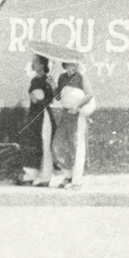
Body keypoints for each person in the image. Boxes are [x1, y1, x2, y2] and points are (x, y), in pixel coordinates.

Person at [51, 58, 95, 190]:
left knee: (76, 146)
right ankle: (68, 175)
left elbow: (89, 94)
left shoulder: (81, 77)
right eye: (70, 64)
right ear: (65, 65)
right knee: (59, 144)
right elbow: (58, 97)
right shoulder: (62, 77)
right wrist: (53, 84)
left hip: (77, 115)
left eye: (75, 64)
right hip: (65, 115)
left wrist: (77, 106)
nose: (73, 66)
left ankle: (77, 181)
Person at [24, 56, 55, 186]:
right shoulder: (34, 80)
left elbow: (51, 98)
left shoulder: (47, 80)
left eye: (35, 62)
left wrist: (40, 98)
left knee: (45, 145)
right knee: (33, 143)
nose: (32, 63)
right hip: (34, 115)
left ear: (42, 65)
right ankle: (30, 174)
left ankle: (46, 177)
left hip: (44, 115)